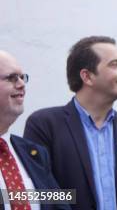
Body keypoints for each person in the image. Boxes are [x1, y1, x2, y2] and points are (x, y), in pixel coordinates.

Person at [24, 36, 117, 210]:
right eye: (114, 64)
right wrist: (73, 197)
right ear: (87, 76)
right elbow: (36, 193)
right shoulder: (45, 125)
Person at [0, 51, 70, 210]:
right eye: (12, 78)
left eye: (22, 77)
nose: (21, 84)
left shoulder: (34, 154)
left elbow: (60, 204)